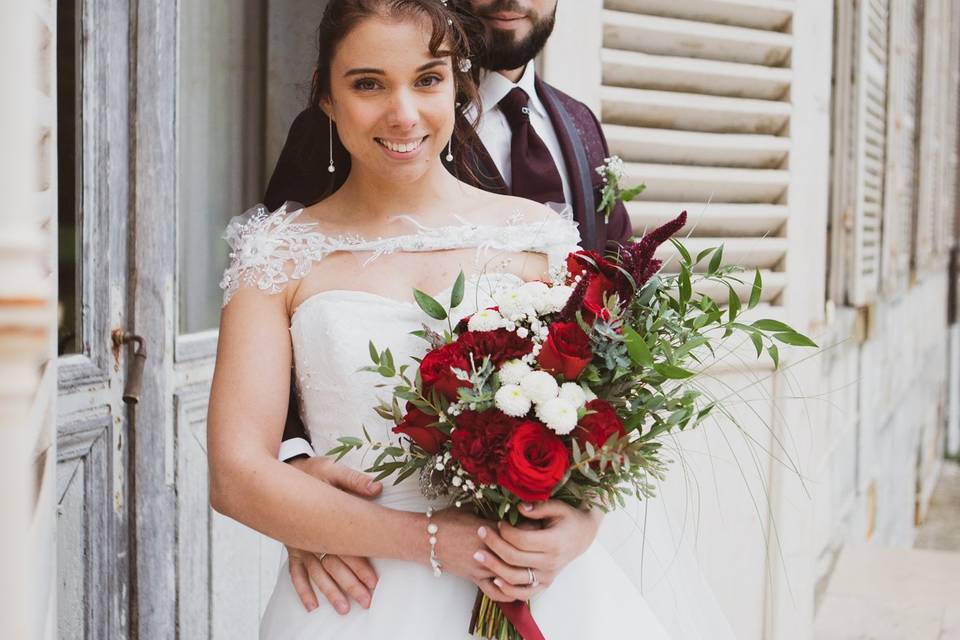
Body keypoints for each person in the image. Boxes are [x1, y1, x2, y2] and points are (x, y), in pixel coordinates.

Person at [207, 1, 674, 637]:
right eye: (367, 83)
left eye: (427, 80)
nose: (403, 114)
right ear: (324, 94)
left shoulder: (541, 236)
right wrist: (418, 538)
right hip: (356, 595)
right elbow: (236, 474)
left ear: (458, 84)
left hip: (540, 586)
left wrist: (582, 520)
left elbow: (604, 409)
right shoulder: (277, 252)